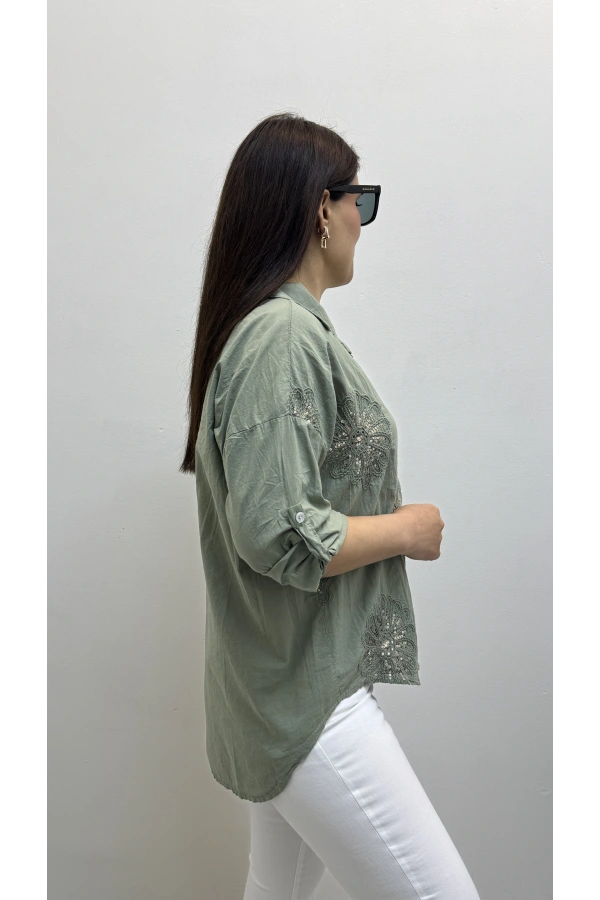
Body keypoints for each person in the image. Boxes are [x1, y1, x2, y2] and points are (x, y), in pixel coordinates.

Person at [180, 112, 481, 900]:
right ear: (323, 209)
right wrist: (407, 529)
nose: (361, 222)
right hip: (309, 703)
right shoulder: (280, 335)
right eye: (360, 201)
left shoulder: (280, 330)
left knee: (272, 889)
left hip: (289, 684)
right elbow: (276, 533)